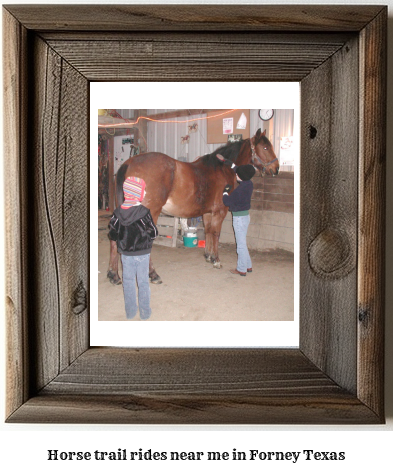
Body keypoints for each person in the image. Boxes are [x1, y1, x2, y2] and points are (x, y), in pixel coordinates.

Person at [108, 176, 158, 319]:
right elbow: (154, 232)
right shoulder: (144, 212)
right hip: (143, 253)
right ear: (138, 194)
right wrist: (148, 239)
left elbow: (112, 234)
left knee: (128, 282)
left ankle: (130, 312)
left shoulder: (117, 213)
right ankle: (145, 313)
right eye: (144, 191)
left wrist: (121, 238)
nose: (145, 193)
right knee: (143, 282)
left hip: (126, 254)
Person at [221, 161, 256, 276]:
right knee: (243, 243)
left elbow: (227, 202)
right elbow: (239, 171)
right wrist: (230, 164)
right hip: (245, 217)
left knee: (240, 245)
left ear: (241, 177)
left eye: (237, 175)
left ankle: (241, 269)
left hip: (239, 219)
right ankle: (248, 266)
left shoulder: (239, 191)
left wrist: (225, 192)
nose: (236, 175)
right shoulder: (249, 183)